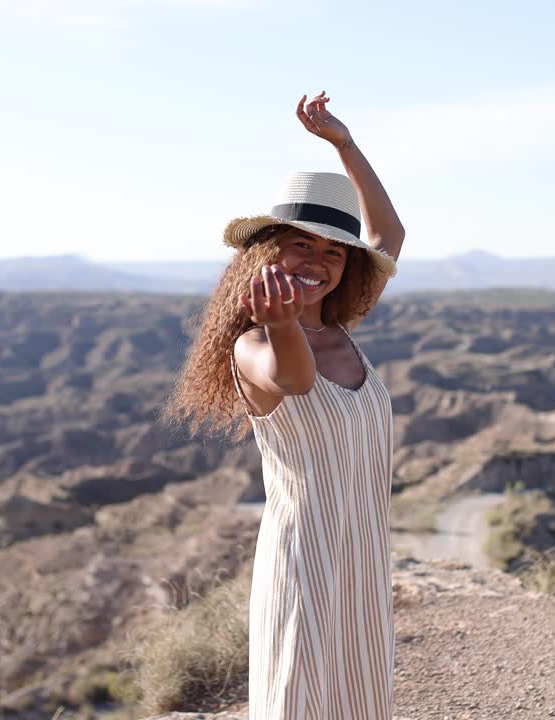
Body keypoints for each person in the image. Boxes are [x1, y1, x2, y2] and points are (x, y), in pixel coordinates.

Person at [165, 91, 405, 719]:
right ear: (267, 253)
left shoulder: (343, 323)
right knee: (300, 700)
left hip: (361, 557)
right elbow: (295, 382)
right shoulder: (252, 345)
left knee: (359, 700)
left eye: (333, 252)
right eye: (301, 246)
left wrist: (345, 146)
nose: (318, 263)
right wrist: (281, 324)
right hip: (304, 562)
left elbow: (389, 234)